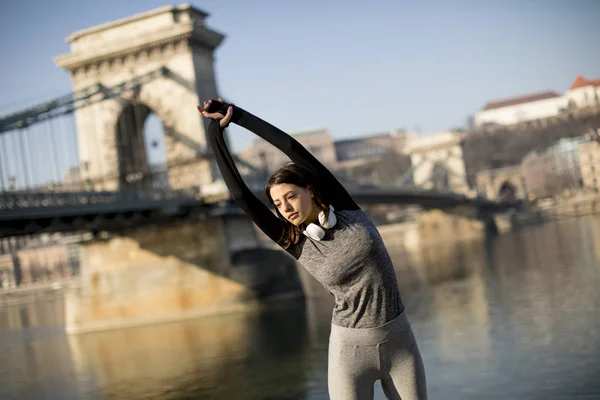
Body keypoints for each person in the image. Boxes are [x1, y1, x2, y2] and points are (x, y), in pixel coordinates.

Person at [197, 98, 427, 400]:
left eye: (290, 196)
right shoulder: (293, 240)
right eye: (278, 204)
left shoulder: (345, 209)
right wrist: (215, 131)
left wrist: (237, 116)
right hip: (349, 352)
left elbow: (293, 149)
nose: (285, 208)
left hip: (399, 342)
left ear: (310, 190)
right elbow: (240, 194)